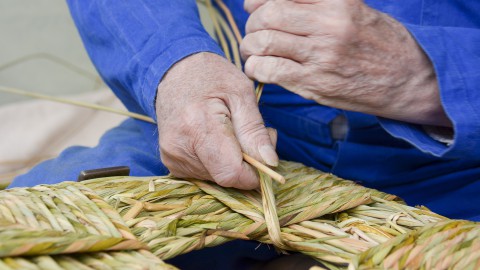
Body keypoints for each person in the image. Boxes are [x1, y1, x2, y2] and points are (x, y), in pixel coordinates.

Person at [10, 0, 480, 222]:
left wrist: (430, 77)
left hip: (461, 173)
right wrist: (174, 65)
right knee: (32, 226)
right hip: (233, 129)